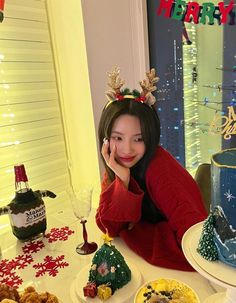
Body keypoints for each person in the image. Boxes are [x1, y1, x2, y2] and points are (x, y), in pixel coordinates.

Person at [96, 67, 208, 271]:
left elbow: (196, 246)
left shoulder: (160, 169)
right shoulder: (117, 164)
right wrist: (122, 180)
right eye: (117, 138)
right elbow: (109, 227)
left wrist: (135, 231)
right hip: (141, 266)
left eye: (138, 139)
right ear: (105, 139)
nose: (127, 149)